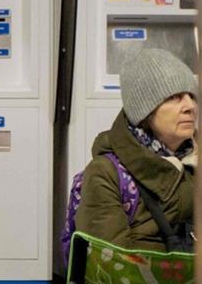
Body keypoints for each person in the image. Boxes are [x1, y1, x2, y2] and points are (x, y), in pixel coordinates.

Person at [75, 48, 196, 252]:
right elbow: (111, 265)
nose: (189, 106)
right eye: (174, 97)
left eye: (192, 96)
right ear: (144, 111)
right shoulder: (106, 173)